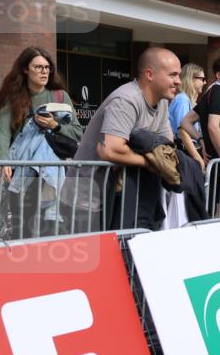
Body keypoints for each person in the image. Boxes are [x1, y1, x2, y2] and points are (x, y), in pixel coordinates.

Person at [60, 47, 179, 232]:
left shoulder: (162, 102)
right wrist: (149, 162)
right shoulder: (126, 99)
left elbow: (166, 147)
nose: (178, 81)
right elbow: (111, 149)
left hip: (114, 199)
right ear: (150, 74)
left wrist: (142, 156)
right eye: (173, 75)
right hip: (85, 200)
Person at [0, 46, 84, 238]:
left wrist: (55, 125)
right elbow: (1, 132)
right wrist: (2, 160)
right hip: (22, 172)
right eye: (38, 67)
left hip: (53, 171)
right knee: (23, 228)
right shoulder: (12, 97)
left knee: (52, 227)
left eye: (47, 67)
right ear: (25, 69)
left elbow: (77, 133)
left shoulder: (59, 96)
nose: (44, 71)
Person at [169, 62, 205, 167]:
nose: (205, 82)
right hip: (184, 152)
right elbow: (183, 132)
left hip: (188, 151)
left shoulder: (187, 100)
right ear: (191, 79)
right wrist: (199, 160)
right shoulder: (182, 99)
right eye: (202, 79)